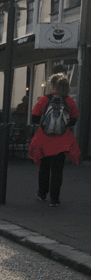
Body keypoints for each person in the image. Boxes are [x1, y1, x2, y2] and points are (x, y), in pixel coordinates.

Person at [28, 73, 81, 206]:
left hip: (44, 139)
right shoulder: (69, 100)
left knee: (44, 168)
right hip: (62, 141)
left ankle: (42, 193)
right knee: (57, 170)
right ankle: (55, 199)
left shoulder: (45, 99)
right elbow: (74, 120)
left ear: (52, 85)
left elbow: (34, 118)